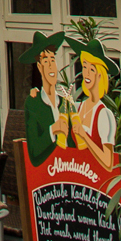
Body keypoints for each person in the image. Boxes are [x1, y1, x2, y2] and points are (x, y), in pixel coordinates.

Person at [21, 30, 74, 165]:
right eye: (46, 60)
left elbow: (75, 146)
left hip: (71, 173)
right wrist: (53, 129)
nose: (51, 66)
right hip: (47, 177)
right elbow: (33, 153)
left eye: (53, 60)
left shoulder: (65, 103)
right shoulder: (33, 103)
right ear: (39, 66)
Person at [68, 49, 118, 184]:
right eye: (85, 67)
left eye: (92, 69)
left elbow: (108, 162)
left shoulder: (103, 114)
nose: (87, 73)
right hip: (79, 178)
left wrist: (84, 136)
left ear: (100, 76)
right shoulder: (79, 107)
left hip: (98, 184)